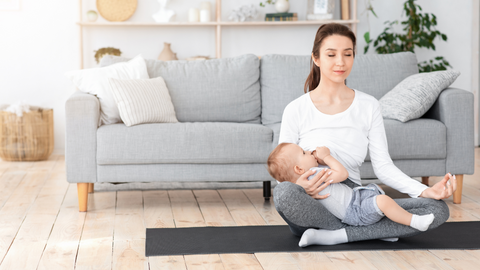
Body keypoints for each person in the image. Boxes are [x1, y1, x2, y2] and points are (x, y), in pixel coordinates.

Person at [273, 23, 457, 246]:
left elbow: (383, 167)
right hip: (312, 204)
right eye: (331, 54)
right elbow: (283, 168)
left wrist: (425, 190)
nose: (340, 62)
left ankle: (338, 235)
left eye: (347, 54)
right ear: (316, 58)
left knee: (436, 208)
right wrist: (301, 187)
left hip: (356, 200)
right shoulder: (296, 108)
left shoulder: (368, 105)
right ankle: (370, 230)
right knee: (283, 193)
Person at [268, 143, 435, 246]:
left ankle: (381, 233)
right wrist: (327, 157)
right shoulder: (315, 174)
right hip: (355, 210)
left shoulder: (310, 178)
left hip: (356, 201)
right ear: (299, 169)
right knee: (383, 201)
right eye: (303, 153)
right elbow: (342, 174)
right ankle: (415, 221)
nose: (309, 151)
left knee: (382, 201)